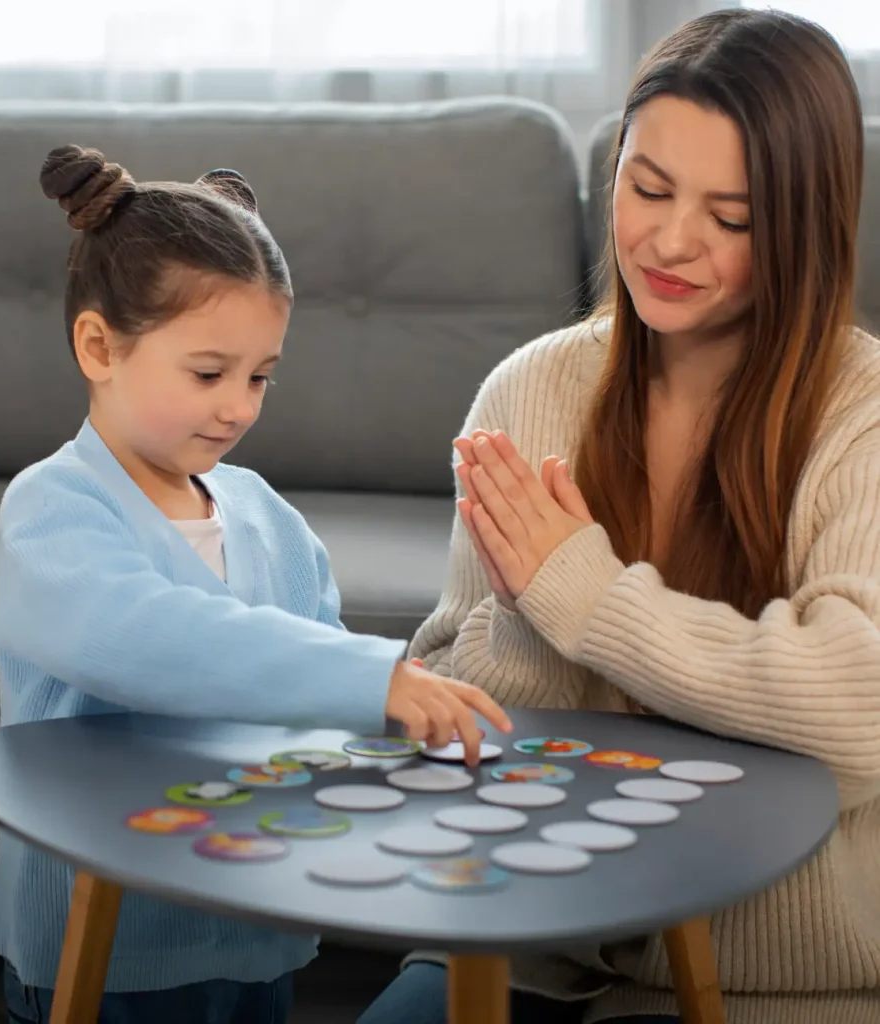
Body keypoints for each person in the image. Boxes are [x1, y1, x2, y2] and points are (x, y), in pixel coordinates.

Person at [358, 8, 880, 1024]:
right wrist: (523, 620)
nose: (670, 241)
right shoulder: (527, 393)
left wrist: (584, 596)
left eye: (731, 218)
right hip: (531, 935)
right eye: (647, 188)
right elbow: (441, 710)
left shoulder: (860, 414)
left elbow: (859, 706)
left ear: (805, 222)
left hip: (770, 966)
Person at [0, 144, 512, 1024]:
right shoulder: (52, 510)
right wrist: (367, 677)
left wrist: (401, 724)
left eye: (260, 376)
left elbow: (319, 666)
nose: (239, 406)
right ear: (98, 346)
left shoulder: (264, 513)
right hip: (105, 948)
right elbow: (154, 639)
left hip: (249, 920)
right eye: (208, 373)